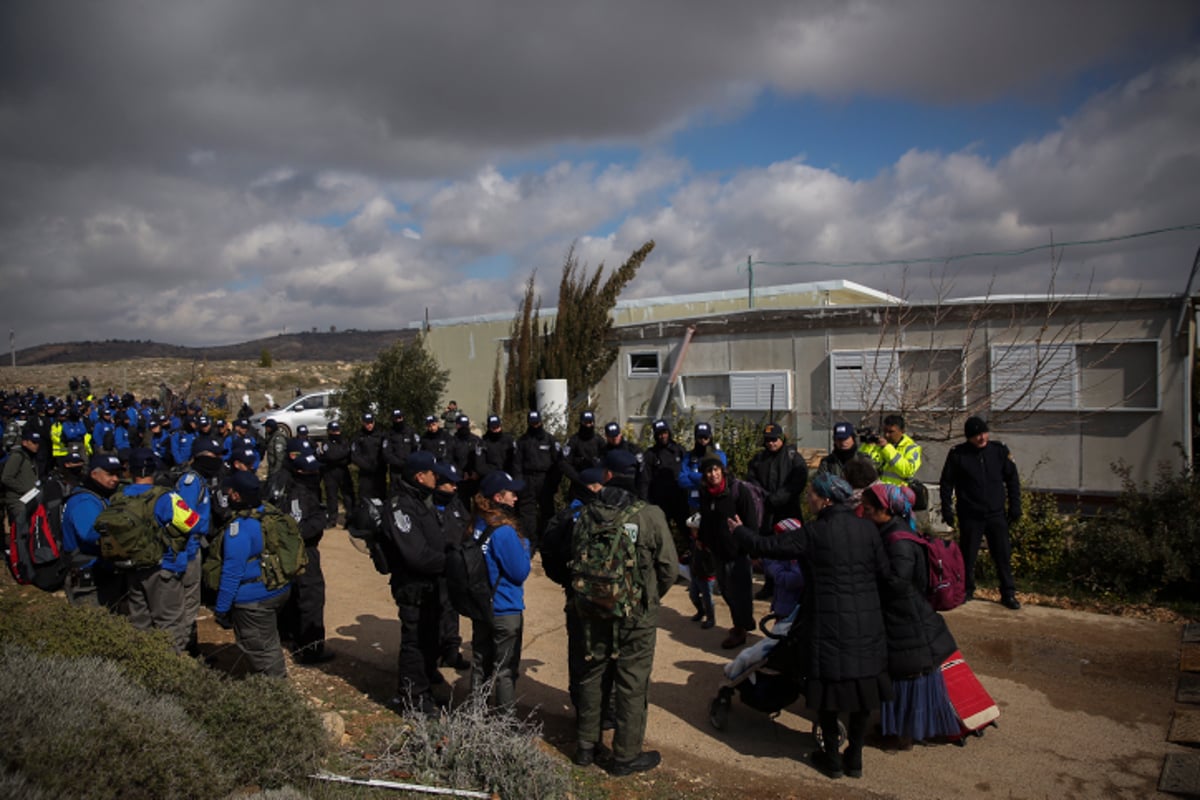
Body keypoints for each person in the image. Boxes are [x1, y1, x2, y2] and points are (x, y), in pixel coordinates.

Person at [732, 472, 893, 780]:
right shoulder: (868, 530)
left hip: (828, 622)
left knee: (830, 692)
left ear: (826, 499)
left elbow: (769, 545)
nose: (808, 499)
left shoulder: (814, 533)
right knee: (862, 690)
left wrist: (739, 531)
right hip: (867, 622)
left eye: (812, 495)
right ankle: (854, 757)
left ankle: (831, 758)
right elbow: (884, 574)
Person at [570, 449, 678, 776]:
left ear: (607, 476)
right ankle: (625, 756)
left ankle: (586, 747)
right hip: (636, 616)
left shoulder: (586, 514)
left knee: (592, 673)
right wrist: (646, 596)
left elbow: (573, 554)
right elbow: (669, 569)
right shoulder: (649, 515)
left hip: (592, 609)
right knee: (632, 682)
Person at [860, 483, 960, 746]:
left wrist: (870, 571)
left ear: (886, 510)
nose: (865, 514)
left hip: (904, 618)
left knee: (906, 677)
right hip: (904, 615)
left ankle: (900, 732)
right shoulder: (894, 531)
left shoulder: (898, 541)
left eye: (869, 510)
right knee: (907, 676)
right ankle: (903, 727)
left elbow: (897, 582)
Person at [380, 450, 448, 714]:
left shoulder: (419, 499)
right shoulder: (400, 506)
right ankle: (412, 698)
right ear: (420, 477)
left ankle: (424, 691)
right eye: (433, 473)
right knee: (415, 643)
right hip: (413, 587)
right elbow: (415, 555)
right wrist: (448, 562)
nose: (437, 477)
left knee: (429, 639)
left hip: (430, 585)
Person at [120, 448, 201, 654]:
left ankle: (143, 664)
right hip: (163, 567)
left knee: (140, 621)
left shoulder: (120, 496)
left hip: (132, 566)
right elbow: (192, 522)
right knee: (170, 624)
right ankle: (169, 670)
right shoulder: (165, 498)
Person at [214, 471, 291, 677]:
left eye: (230, 492)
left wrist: (221, 609)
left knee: (261, 651)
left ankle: (277, 697)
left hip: (254, 599)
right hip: (278, 588)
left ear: (237, 496)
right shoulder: (268, 513)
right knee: (269, 640)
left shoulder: (239, 529)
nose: (228, 495)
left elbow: (232, 573)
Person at [939, 416, 1022, 610]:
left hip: (996, 514)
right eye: (976, 435)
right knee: (967, 556)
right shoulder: (958, 454)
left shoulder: (999, 451)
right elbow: (946, 483)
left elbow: (1012, 480)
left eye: (984, 433)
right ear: (969, 437)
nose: (981, 438)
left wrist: (1015, 505)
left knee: (1002, 554)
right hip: (970, 515)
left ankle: (1008, 592)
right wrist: (946, 509)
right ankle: (967, 590)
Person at [469, 469, 532, 710]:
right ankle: (505, 724)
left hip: (482, 604)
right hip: (504, 607)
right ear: (498, 497)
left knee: (480, 662)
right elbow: (519, 572)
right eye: (511, 494)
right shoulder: (504, 531)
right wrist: (524, 546)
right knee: (505, 670)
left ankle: (476, 715)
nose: (515, 498)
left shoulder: (476, 523)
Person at [277, 451, 334, 664]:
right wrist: (319, 520)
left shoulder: (301, 491)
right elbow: (297, 529)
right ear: (301, 472)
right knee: (310, 595)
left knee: (296, 595)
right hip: (303, 552)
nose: (315, 474)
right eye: (312, 471)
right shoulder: (298, 494)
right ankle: (310, 649)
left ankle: (293, 637)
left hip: (299, 551)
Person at [697, 456, 760, 649]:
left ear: (722, 470)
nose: (713, 474)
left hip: (738, 553)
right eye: (709, 471)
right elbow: (706, 519)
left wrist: (754, 550)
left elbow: (750, 522)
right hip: (718, 552)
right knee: (725, 590)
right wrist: (702, 539)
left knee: (740, 593)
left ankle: (741, 629)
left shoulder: (738, 491)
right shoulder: (706, 493)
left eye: (716, 470)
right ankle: (740, 624)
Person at [745, 422, 809, 600]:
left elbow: (798, 480)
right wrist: (764, 497)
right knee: (769, 548)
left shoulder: (792, 457)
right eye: (768, 440)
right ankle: (770, 583)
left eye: (774, 440)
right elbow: (751, 480)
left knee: (792, 548)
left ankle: (797, 583)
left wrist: (779, 497)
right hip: (767, 512)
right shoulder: (759, 459)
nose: (771, 443)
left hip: (788, 511)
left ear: (781, 439)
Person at [60, 453, 125, 607]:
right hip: (87, 577)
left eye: (117, 474)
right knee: (93, 625)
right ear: (94, 474)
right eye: (110, 474)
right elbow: (91, 534)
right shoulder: (84, 501)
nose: (115, 479)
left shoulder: (101, 497)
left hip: (102, 574)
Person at [512, 410, 563, 547]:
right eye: (532, 423)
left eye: (537, 423)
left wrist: (554, 483)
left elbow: (558, 464)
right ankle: (530, 542)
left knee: (547, 511)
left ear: (541, 422)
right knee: (527, 513)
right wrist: (519, 484)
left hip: (545, 479)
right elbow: (516, 465)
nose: (535, 426)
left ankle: (548, 541)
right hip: (527, 479)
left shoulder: (550, 440)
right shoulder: (522, 441)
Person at [858, 414, 922, 488]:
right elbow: (861, 466)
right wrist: (867, 445)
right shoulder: (878, 445)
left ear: (902, 431)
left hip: (899, 493)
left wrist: (887, 448)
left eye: (891, 432)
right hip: (878, 491)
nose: (886, 435)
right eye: (885, 431)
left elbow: (907, 471)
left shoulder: (911, 448)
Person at [1, 428, 42, 529]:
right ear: (25, 442)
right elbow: (6, 478)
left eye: (38, 443)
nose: (36, 445)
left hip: (31, 498)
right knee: (21, 529)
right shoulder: (17, 456)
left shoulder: (32, 457)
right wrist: (25, 489)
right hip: (17, 500)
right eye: (33, 442)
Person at [317, 420, 355, 527]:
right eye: (333, 431)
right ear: (329, 431)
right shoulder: (326, 443)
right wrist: (342, 455)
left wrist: (338, 457)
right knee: (331, 496)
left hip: (343, 471)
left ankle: (350, 518)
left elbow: (348, 458)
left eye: (337, 430)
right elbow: (330, 456)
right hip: (330, 472)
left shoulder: (344, 441)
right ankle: (332, 519)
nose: (336, 433)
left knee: (347, 495)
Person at [561, 411, 603, 502]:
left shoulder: (598, 440)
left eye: (590, 422)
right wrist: (579, 479)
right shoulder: (573, 441)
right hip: (578, 486)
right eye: (585, 422)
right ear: (581, 423)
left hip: (596, 485)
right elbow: (564, 463)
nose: (588, 425)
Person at [351, 412, 387, 502]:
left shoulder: (381, 435)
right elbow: (355, 455)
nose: (369, 425)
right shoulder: (358, 436)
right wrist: (366, 466)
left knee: (381, 496)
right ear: (363, 423)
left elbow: (386, 451)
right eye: (367, 423)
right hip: (365, 473)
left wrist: (380, 463)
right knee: (365, 496)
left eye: (371, 422)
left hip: (379, 471)